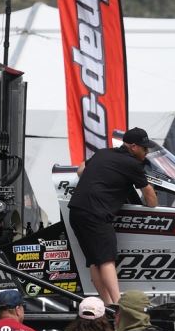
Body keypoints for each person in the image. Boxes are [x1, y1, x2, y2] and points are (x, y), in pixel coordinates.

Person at [67, 127, 159, 304]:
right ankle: (117, 305)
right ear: (133, 147)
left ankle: (108, 305)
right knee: (107, 260)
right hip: (96, 214)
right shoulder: (133, 164)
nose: (146, 152)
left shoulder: (103, 153)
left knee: (95, 261)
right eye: (144, 148)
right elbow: (149, 196)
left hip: (76, 211)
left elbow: (80, 171)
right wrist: (153, 208)